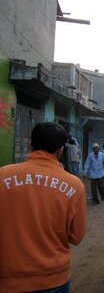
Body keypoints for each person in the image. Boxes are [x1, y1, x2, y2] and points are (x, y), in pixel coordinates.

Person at [0, 122, 86, 292]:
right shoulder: (74, 186)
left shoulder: (3, 176)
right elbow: (76, 237)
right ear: (61, 150)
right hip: (53, 280)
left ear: (30, 144)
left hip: (8, 280)